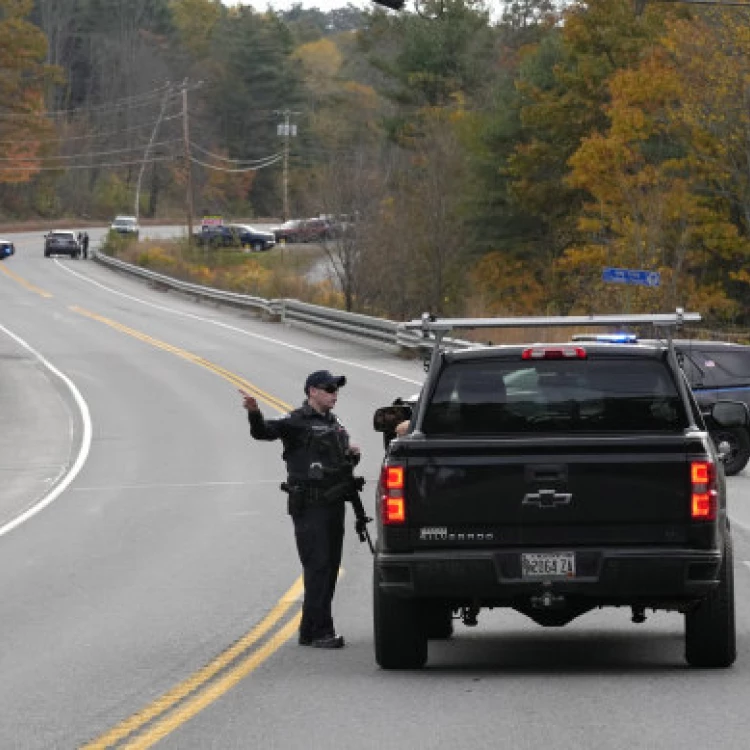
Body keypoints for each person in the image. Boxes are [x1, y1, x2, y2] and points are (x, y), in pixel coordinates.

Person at [240, 370, 360, 649]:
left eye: (336, 389)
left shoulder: (335, 424)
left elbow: (340, 462)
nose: (334, 394)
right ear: (312, 392)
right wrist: (254, 412)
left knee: (329, 568)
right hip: (309, 505)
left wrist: (352, 454)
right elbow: (263, 432)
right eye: (329, 388)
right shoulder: (296, 421)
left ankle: (312, 628)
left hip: (333, 503)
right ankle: (319, 630)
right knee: (317, 566)